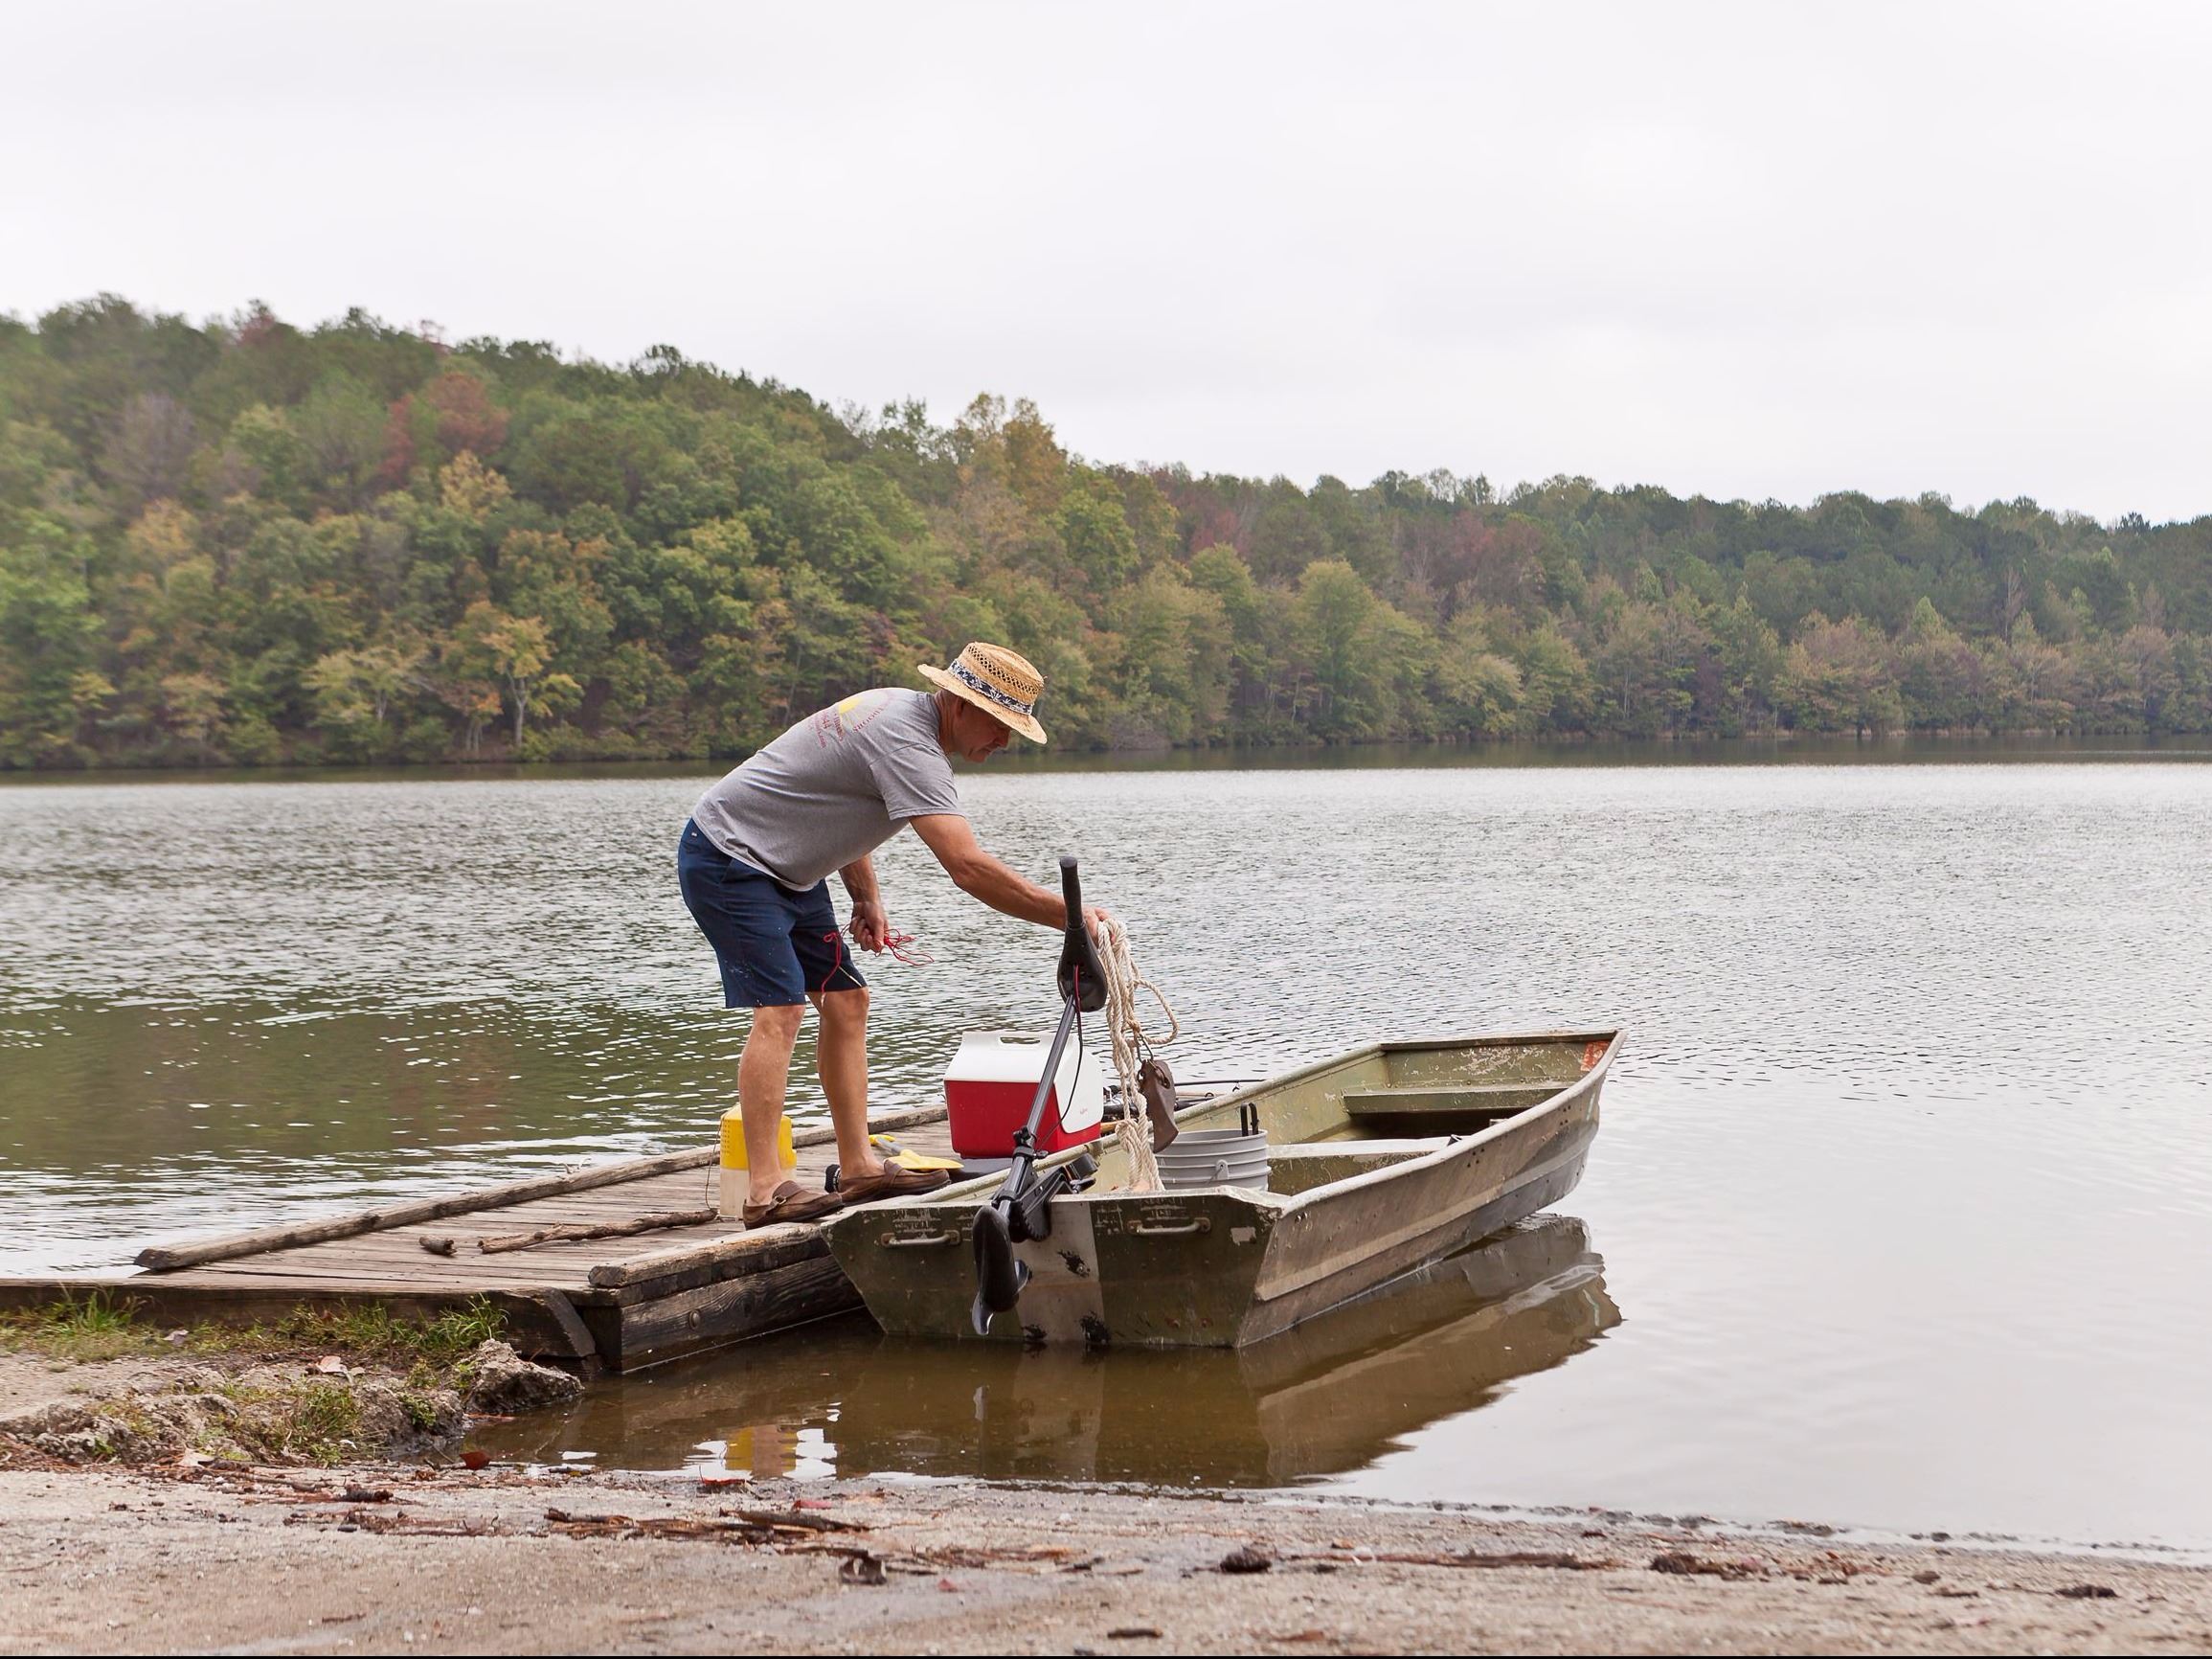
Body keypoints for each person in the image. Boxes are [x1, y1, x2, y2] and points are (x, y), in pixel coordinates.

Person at [678, 642, 1110, 1227]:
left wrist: (866, 897)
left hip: (789, 868)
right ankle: (763, 1191)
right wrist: (1070, 916)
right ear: (959, 704)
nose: (1004, 741)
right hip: (731, 859)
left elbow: (838, 807)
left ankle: (857, 1165)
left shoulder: (899, 714)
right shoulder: (909, 743)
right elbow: (968, 868)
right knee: (780, 1010)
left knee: (847, 1000)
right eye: (1000, 724)